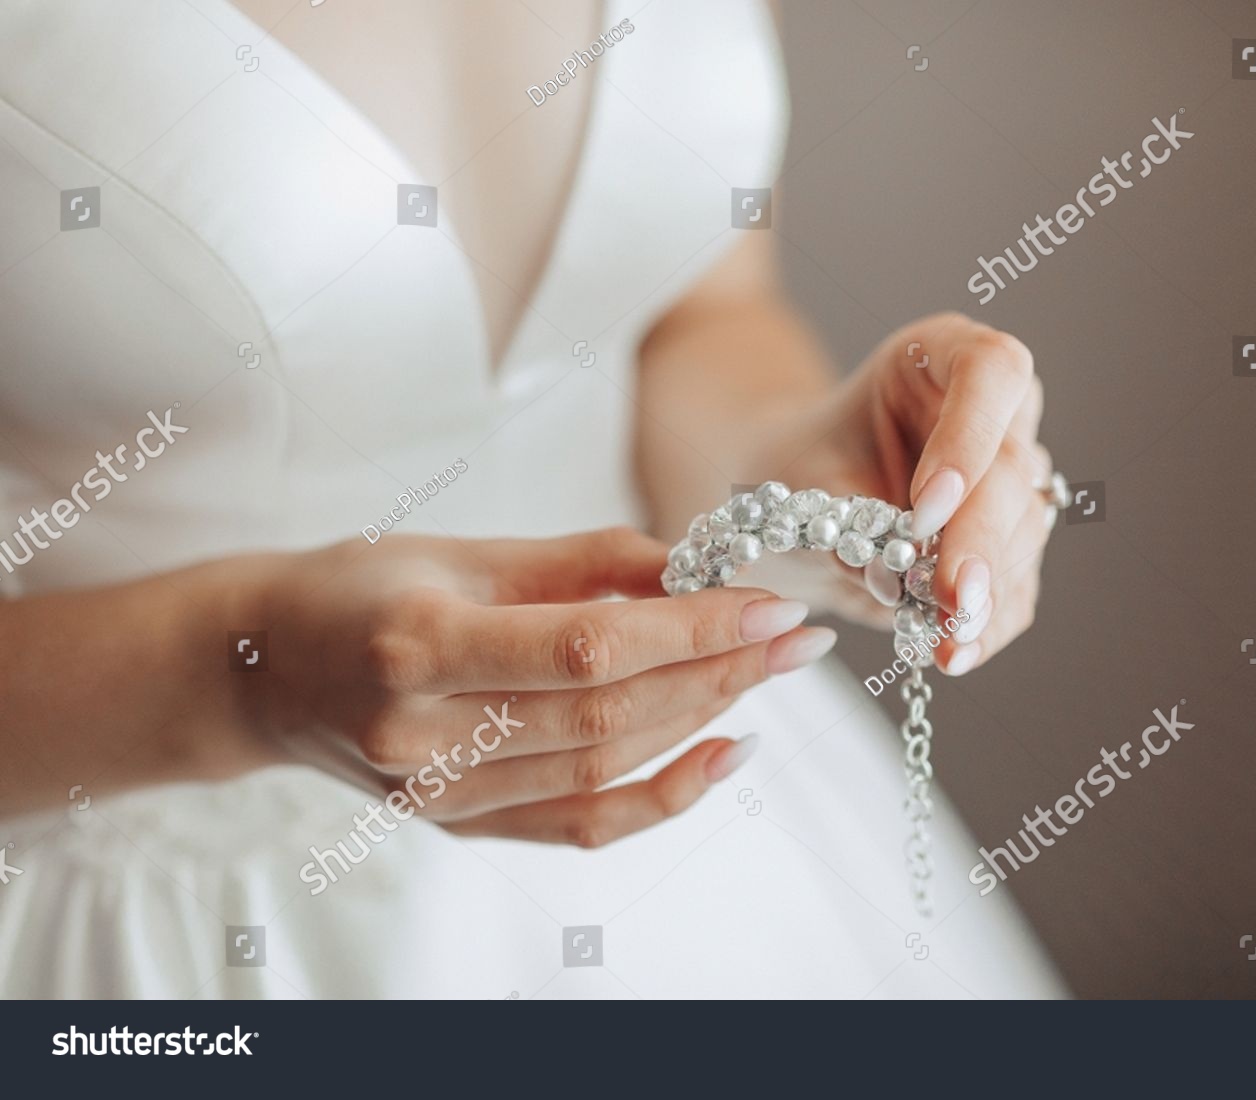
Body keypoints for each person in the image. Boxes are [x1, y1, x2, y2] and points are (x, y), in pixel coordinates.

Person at [0, 0, 1063, 997]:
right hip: (163, 917)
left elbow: (700, 305)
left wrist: (801, 470)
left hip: (697, 823)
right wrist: (241, 673)